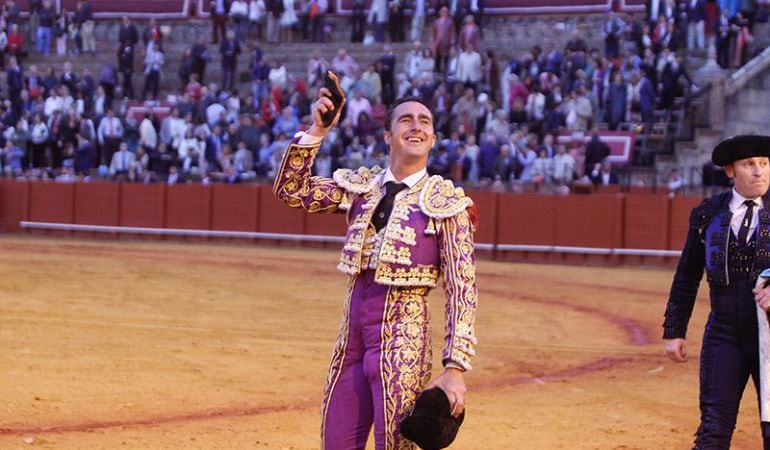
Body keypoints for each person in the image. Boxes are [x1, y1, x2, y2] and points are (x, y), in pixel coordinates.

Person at [273, 76, 478, 449]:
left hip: (404, 337)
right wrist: (318, 130)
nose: (416, 126)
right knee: (336, 442)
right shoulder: (361, 188)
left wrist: (455, 369)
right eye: (405, 120)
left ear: (432, 139)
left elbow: (462, 289)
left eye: (425, 122)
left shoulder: (447, 203)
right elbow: (292, 190)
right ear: (387, 136)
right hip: (351, 337)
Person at [663, 135, 770, 449]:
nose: (758, 171)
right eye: (749, 165)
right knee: (713, 430)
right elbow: (687, 274)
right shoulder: (708, 214)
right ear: (730, 171)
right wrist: (674, 329)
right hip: (725, 333)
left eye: (764, 164)